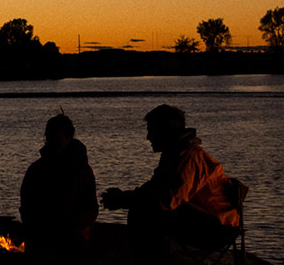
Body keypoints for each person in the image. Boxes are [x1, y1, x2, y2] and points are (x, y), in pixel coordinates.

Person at [100, 104, 239, 246]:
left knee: (141, 214)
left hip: (217, 227)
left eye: (151, 131)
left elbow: (167, 200)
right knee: (142, 210)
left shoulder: (188, 158)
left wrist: (125, 200)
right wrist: (124, 196)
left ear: (165, 131)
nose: (148, 137)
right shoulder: (174, 155)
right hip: (204, 219)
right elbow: (154, 189)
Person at [19, 114, 97, 265]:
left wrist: (75, 229)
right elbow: (27, 206)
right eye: (49, 136)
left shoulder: (82, 171)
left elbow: (90, 207)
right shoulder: (36, 170)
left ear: (69, 137)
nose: (53, 140)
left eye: (58, 136)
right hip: (42, 240)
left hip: (72, 240)